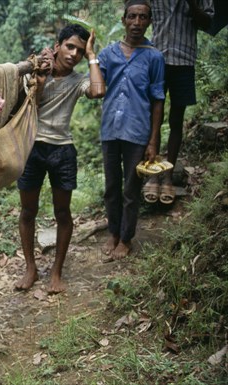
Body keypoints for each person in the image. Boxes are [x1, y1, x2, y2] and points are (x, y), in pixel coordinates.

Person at [15, 24, 106, 294]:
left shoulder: (78, 80)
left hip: (63, 150)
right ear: (57, 46)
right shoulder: (33, 71)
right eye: (70, 47)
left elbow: (99, 91)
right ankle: (30, 268)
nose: (74, 54)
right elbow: (25, 105)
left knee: (63, 213)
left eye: (79, 50)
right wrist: (40, 83)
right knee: (28, 211)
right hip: (32, 147)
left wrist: (92, 55)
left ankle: (56, 271)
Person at [98, 0, 165, 260]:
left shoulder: (154, 57)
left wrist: (153, 140)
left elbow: (158, 99)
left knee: (130, 188)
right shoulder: (108, 54)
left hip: (138, 132)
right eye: (132, 17)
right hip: (110, 130)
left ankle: (126, 238)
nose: (137, 23)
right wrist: (91, 54)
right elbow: (96, 85)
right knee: (112, 186)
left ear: (149, 22)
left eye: (143, 17)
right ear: (124, 19)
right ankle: (113, 232)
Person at [143, 0, 214, 204]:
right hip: (155, 58)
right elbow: (139, 14)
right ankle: (152, 173)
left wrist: (192, 4)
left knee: (176, 119)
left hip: (184, 60)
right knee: (151, 117)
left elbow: (207, 23)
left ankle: (167, 175)